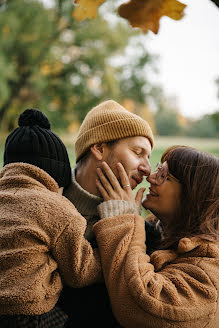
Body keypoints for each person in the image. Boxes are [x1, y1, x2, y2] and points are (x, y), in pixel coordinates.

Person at [60, 99, 161, 326]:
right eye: (138, 152)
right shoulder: (46, 199)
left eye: (148, 156)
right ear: (99, 148)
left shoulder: (146, 234)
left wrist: (124, 222)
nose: (147, 168)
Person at [94, 146, 219, 328]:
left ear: (192, 194)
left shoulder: (210, 269)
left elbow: (143, 304)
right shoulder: (155, 233)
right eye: (158, 169)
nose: (150, 178)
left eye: (163, 176)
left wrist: (122, 219)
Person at [0, 109, 102, 327]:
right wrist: (107, 253)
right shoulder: (56, 208)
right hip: (28, 315)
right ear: (57, 179)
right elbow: (80, 273)